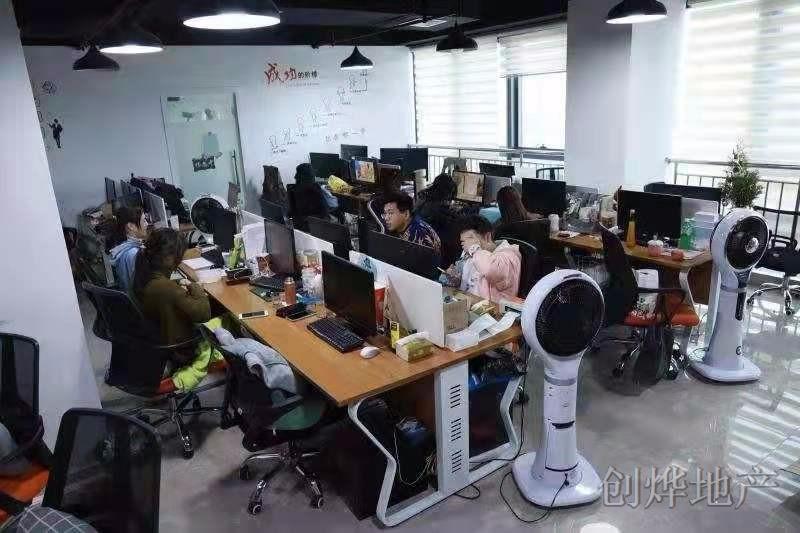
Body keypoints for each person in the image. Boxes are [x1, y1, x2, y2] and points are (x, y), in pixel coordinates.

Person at [133, 229, 211, 366]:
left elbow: (168, 295)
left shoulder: (144, 277)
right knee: (225, 319)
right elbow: (204, 314)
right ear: (168, 258)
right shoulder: (166, 288)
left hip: (162, 342)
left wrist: (178, 286)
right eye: (179, 255)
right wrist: (195, 286)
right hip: (180, 350)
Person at [442, 215, 521, 302]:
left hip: (491, 308)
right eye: (464, 241)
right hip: (467, 303)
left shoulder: (509, 256)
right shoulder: (473, 254)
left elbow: (490, 270)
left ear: (487, 236)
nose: (467, 245)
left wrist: (474, 248)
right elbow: (467, 285)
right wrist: (455, 280)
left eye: (470, 238)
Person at [415, 173, 460, 266]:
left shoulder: (423, 201)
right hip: (439, 255)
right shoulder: (440, 212)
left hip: (421, 250)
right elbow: (457, 222)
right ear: (447, 194)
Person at [108, 206, 148, 292]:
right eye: (144, 221)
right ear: (131, 226)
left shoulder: (123, 245)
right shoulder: (133, 253)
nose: (147, 224)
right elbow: (142, 287)